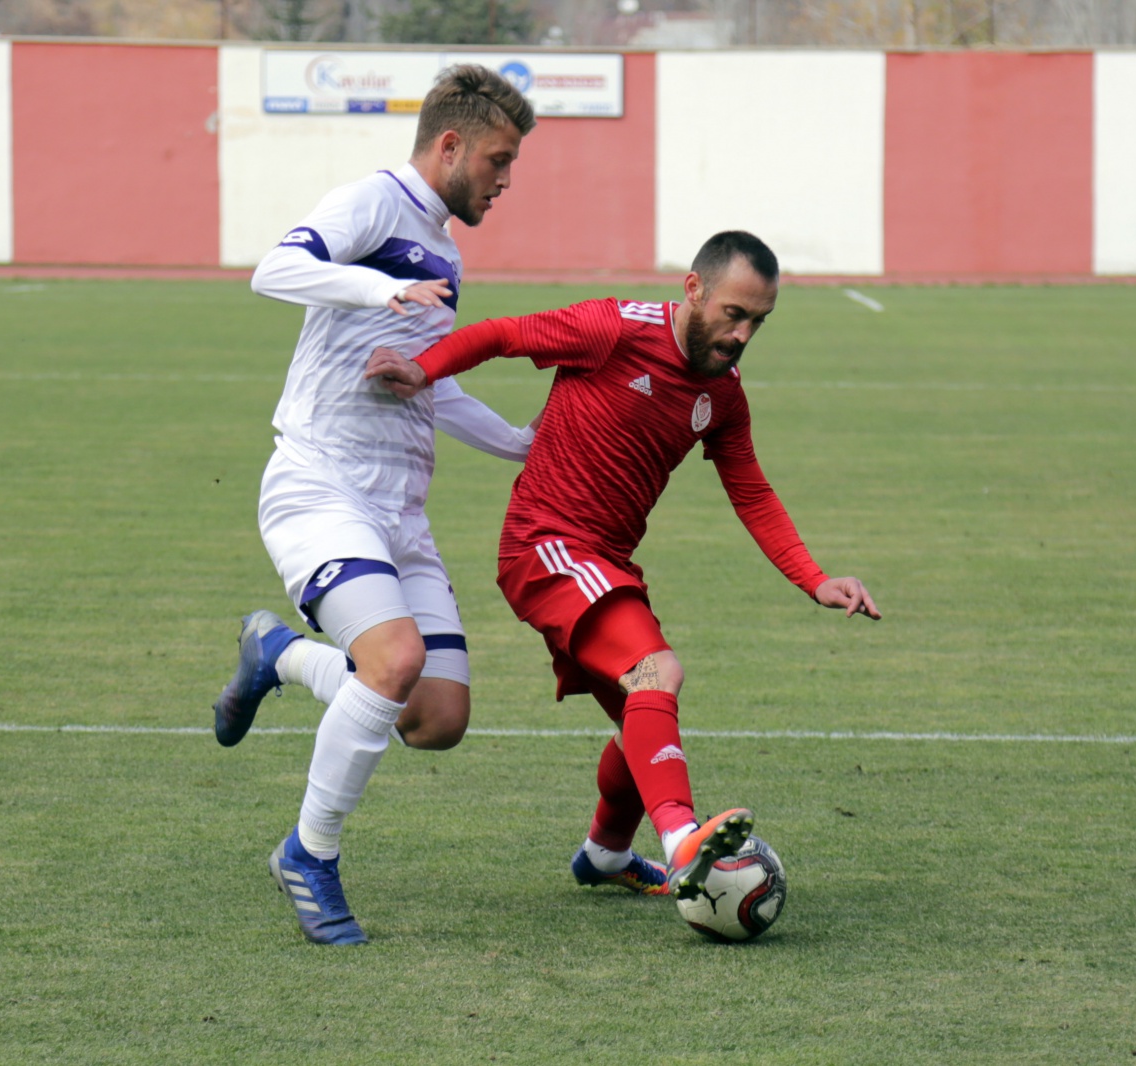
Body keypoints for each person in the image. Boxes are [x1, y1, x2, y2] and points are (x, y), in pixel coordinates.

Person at [365, 230, 881, 908]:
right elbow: (502, 333)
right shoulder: (613, 328)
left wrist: (814, 578)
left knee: (647, 720)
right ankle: (684, 846)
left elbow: (751, 491)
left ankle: (605, 853)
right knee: (656, 675)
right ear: (693, 289)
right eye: (734, 313)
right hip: (546, 546)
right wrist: (423, 369)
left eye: (759, 321)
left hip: (605, 564)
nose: (744, 335)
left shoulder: (722, 395)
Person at [210, 64, 538, 947]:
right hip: (320, 484)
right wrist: (377, 287)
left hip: (400, 508)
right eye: (499, 160)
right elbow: (274, 270)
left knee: (436, 717)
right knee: (390, 664)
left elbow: (426, 383)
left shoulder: (447, 253)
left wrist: (520, 441)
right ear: (449, 145)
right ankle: (307, 855)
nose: (506, 180)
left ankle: (277, 655)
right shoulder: (371, 203)